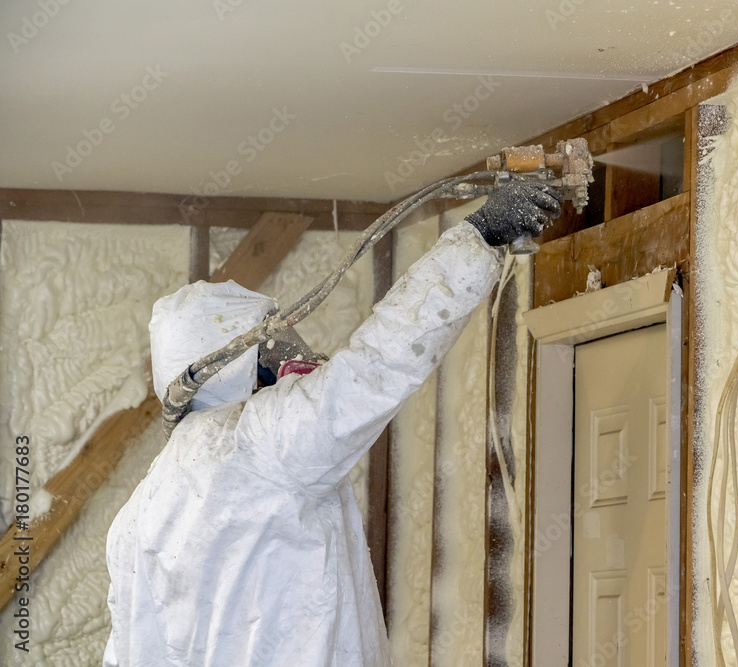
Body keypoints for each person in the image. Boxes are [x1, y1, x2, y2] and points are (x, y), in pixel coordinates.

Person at [102, 181, 561, 666]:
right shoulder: (260, 441)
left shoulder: (139, 513)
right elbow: (375, 366)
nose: (295, 354)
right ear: (237, 365)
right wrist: (479, 235)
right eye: (275, 343)